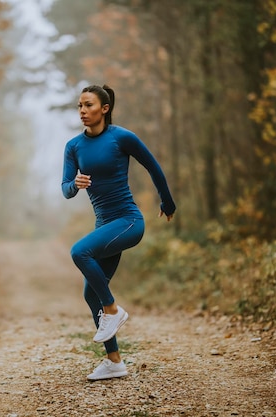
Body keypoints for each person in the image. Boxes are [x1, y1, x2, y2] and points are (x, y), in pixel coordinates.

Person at [61, 84, 176, 381]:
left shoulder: (121, 137)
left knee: (79, 251)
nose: (82, 111)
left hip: (127, 221)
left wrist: (167, 201)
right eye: (79, 106)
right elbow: (65, 190)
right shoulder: (74, 146)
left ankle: (112, 310)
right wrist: (76, 184)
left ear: (105, 108)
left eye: (88, 105)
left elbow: (153, 167)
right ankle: (114, 362)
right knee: (90, 293)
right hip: (105, 226)